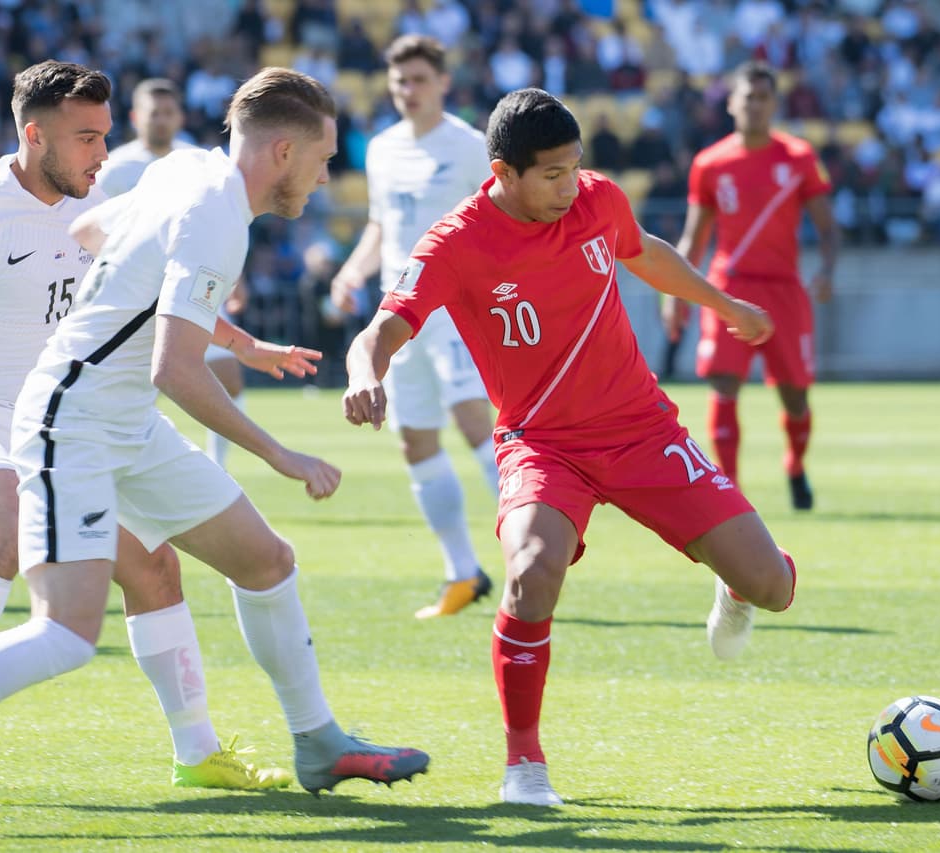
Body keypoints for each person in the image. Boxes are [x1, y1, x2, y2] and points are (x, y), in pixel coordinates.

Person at [0, 67, 428, 839]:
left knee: (267, 560)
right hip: (72, 421)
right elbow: (176, 367)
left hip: (121, 414)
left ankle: (317, 741)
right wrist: (281, 453)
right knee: (66, 633)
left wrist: (232, 337)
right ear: (279, 152)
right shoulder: (217, 219)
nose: (328, 174)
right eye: (324, 157)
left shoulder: (187, 170)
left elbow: (89, 236)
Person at [343, 88, 797, 806]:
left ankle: (735, 581)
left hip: (643, 429)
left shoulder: (598, 200)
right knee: (528, 567)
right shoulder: (456, 243)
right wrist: (364, 374)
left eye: (574, 167)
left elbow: (644, 251)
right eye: (551, 174)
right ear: (502, 172)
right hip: (543, 445)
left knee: (775, 587)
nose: (568, 185)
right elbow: (384, 328)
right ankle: (524, 764)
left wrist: (725, 305)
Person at [330, 34, 499, 619]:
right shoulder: (381, 148)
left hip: (456, 311)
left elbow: (496, 226)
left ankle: (535, 546)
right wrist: (352, 272)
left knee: (475, 420)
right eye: (400, 81)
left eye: (420, 80)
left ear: (443, 84)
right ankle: (462, 572)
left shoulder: (472, 147)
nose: (408, 90)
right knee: (415, 439)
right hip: (399, 314)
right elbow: (381, 225)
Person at [663, 61, 839, 510]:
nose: (755, 106)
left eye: (764, 98)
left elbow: (828, 227)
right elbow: (694, 236)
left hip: (784, 290)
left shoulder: (798, 158)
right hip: (730, 287)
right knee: (724, 385)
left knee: (795, 396)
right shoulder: (711, 163)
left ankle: (795, 466)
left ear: (774, 104)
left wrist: (827, 269)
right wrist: (675, 292)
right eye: (748, 97)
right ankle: (732, 492)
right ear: (731, 103)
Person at [100, 76, 249, 469]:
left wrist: (236, 278)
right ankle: (124, 462)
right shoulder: (115, 169)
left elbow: (222, 224)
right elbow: (92, 228)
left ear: (180, 116)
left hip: (192, 285)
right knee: (138, 383)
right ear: (135, 117)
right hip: (133, 294)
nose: (162, 121)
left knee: (226, 377)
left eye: (169, 113)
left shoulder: (196, 162)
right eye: (154, 114)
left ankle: (218, 467)